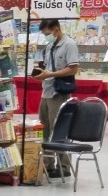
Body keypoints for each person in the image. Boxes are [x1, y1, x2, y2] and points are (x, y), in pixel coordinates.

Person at [32, 17, 81, 178]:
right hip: (46, 91)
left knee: (59, 129)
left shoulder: (69, 45)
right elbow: (47, 67)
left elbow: (73, 69)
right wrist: (40, 73)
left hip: (59, 92)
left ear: (56, 30)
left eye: (48, 34)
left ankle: (64, 166)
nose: (47, 37)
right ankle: (48, 164)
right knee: (44, 129)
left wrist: (50, 74)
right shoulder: (49, 46)